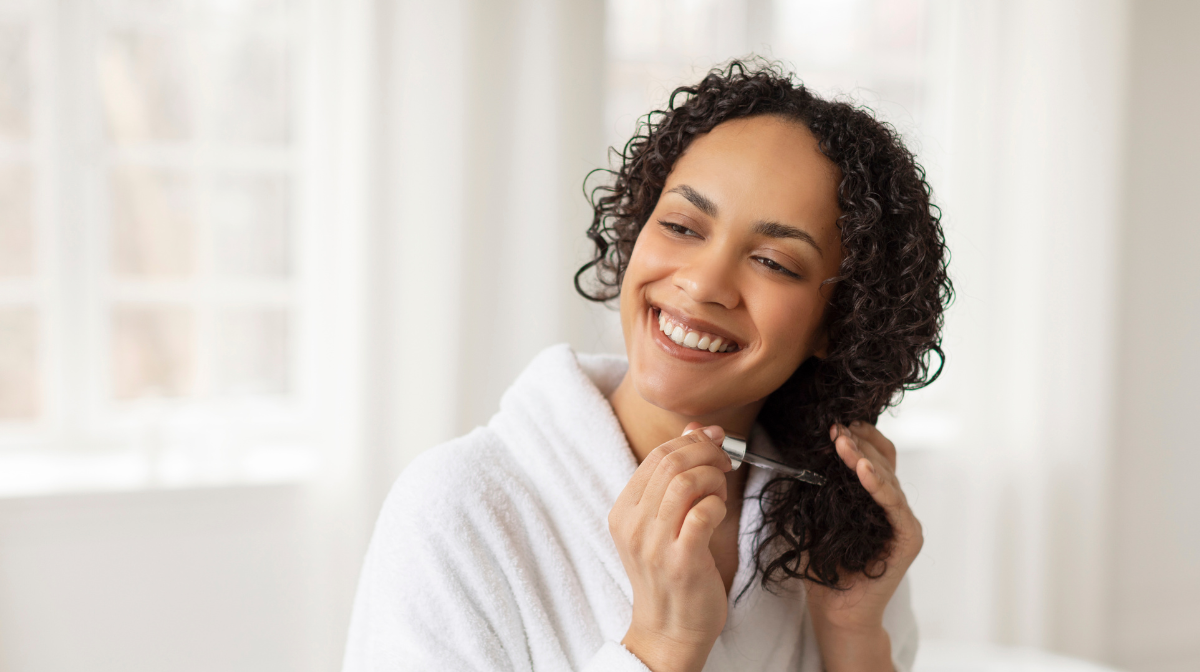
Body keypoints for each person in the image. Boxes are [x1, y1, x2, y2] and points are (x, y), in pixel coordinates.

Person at [343, 60, 951, 672]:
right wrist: (661, 644)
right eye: (683, 226)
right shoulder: (457, 508)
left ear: (838, 321)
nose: (704, 282)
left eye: (774, 262)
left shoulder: (830, 540)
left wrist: (853, 637)